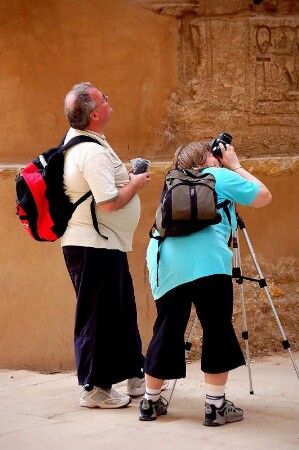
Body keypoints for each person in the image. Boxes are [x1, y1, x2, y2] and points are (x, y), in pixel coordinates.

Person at [139, 140, 272, 425]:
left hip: (164, 261)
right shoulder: (220, 176)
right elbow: (264, 197)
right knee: (216, 329)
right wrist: (235, 165)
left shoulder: (172, 181)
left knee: (167, 328)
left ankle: (149, 402)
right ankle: (215, 407)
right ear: (208, 158)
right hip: (208, 263)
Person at [62, 81, 151, 409]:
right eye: (104, 98)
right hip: (92, 246)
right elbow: (109, 203)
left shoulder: (85, 142)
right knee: (98, 316)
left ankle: (134, 373)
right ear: (95, 113)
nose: (109, 99)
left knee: (121, 310)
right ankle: (94, 388)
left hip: (103, 244)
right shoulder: (90, 151)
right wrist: (136, 183)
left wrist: (125, 177)